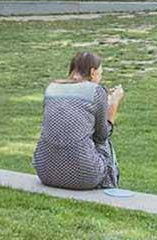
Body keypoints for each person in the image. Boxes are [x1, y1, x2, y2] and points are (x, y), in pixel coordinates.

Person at [32, 52, 125, 190]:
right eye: (100, 72)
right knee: (103, 143)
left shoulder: (51, 88)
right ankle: (110, 187)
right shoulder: (96, 91)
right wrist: (113, 106)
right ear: (93, 72)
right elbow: (102, 135)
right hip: (84, 176)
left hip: (45, 171)